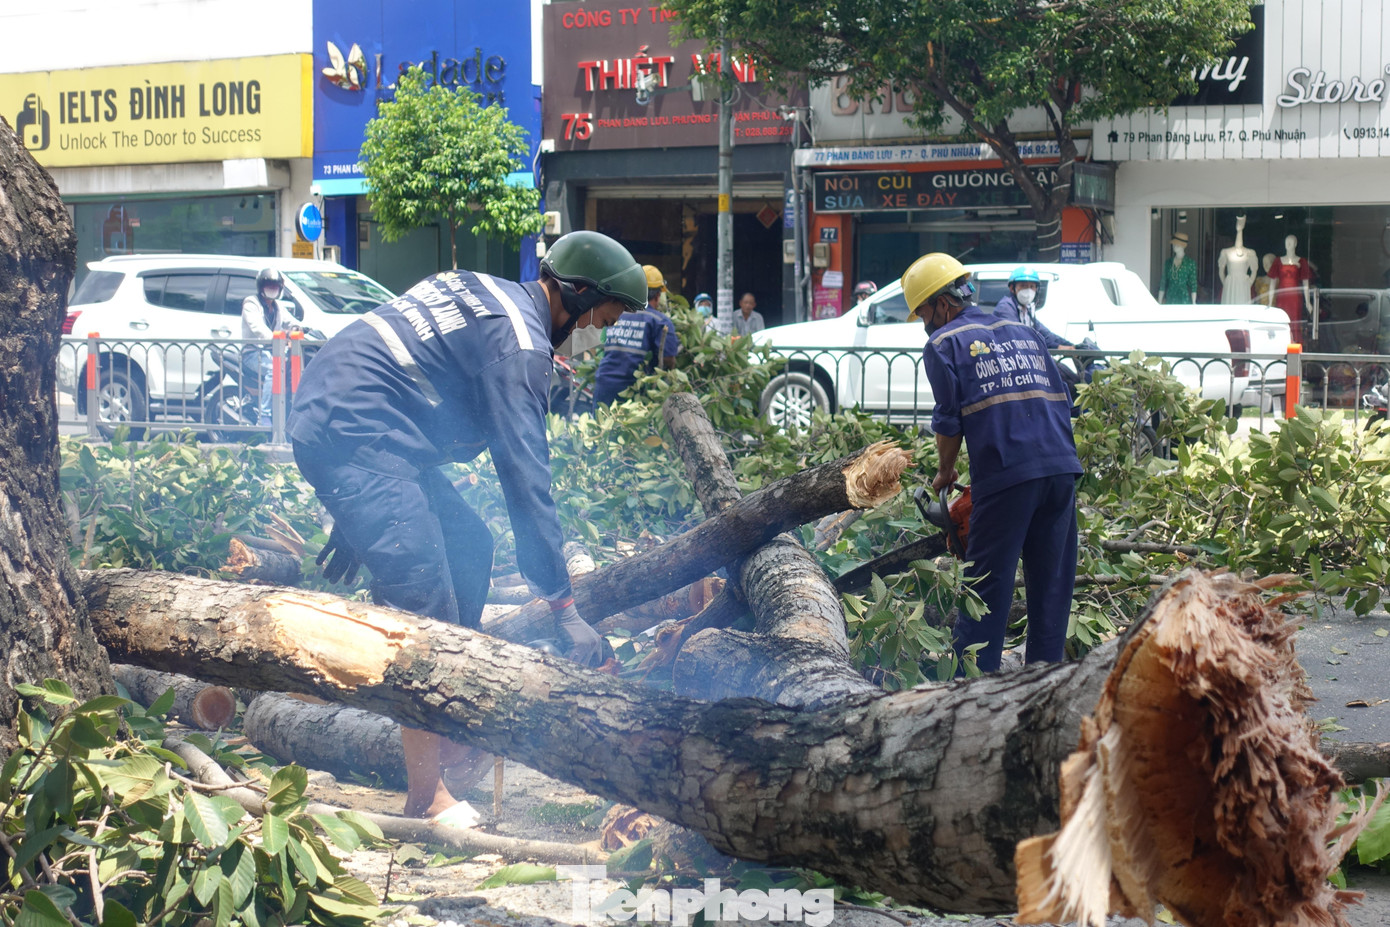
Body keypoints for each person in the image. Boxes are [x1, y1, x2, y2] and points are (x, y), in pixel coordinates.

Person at [288, 230, 646, 821]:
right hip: (356, 431)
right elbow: (526, 480)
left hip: (353, 419)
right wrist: (564, 607)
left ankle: (449, 722)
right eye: (599, 322)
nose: (594, 337)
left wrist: (355, 510)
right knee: (423, 604)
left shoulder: (486, 290)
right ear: (576, 295)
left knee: (471, 548)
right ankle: (428, 797)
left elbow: (410, 376)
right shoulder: (521, 348)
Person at [902, 252, 1082, 673]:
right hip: (1061, 470)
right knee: (1052, 587)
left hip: (1007, 477)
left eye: (923, 313)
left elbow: (949, 421)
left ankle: (974, 687)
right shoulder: (1026, 333)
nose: (924, 324)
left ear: (942, 304)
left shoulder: (943, 343)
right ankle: (1046, 684)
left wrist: (946, 472)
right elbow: (1061, 401)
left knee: (986, 587)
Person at [593, 265, 681, 405]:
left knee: (603, 425)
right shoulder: (661, 321)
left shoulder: (617, 312)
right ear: (658, 295)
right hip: (636, 391)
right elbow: (669, 360)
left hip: (605, 383)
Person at [241, 267, 296, 425]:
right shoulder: (251, 303)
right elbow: (258, 328)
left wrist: (300, 328)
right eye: (269, 287)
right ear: (261, 288)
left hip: (274, 353)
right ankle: (264, 415)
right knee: (275, 370)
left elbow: (291, 321)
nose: (272, 290)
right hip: (253, 354)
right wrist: (277, 337)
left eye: (275, 287)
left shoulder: (278, 306)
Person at [992, 267, 1073, 350]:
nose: (1028, 290)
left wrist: (1071, 346)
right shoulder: (1006, 307)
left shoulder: (1027, 309)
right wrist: (1057, 347)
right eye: (1023, 286)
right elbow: (1017, 335)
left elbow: (1045, 334)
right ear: (1012, 288)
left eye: (1032, 286)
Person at [1218, 215, 1258, 305]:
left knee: (1242, 305)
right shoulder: (1225, 252)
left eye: (1241, 222)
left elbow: (1254, 270)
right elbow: (1221, 271)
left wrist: (1248, 283)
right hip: (1230, 283)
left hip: (1243, 284)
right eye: (1238, 222)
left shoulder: (1250, 253)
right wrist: (1226, 284)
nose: (1239, 225)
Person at [1158, 232, 1198, 305]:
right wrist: (1159, 302)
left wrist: (1194, 302)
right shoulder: (1168, 262)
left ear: (1183, 246)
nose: (1174, 246)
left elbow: (1193, 284)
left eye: (1177, 245)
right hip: (1170, 298)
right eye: (1174, 244)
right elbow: (1163, 283)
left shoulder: (1190, 263)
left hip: (1184, 299)